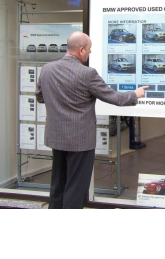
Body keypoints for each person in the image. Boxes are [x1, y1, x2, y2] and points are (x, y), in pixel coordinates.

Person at [36, 31, 148, 209]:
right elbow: (115, 98)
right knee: (76, 187)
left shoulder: (47, 69)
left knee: (58, 184)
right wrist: (135, 94)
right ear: (81, 50)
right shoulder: (87, 74)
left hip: (56, 137)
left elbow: (40, 97)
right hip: (80, 141)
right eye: (89, 49)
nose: (89, 53)